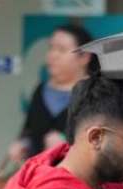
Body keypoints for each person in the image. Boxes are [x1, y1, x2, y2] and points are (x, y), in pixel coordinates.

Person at [8, 24, 99, 164]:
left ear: (85, 57)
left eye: (61, 49)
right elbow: (29, 130)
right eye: (51, 47)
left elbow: (102, 142)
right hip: (41, 178)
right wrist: (23, 144)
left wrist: (67, 145)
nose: (52, 55)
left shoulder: (97, 93)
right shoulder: (40, 89)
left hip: (79, 181)